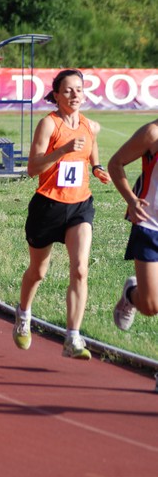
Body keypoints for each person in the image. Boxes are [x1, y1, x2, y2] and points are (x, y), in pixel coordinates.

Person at [13, 69, 111, 360]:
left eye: (79, 89)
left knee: (80, 269)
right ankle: (24, 314)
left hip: (80, 205)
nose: (75, 95)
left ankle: (72, 337)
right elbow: (33, 169)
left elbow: (92, 148)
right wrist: (63, 150)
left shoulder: (88, 125)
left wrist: (97, 168)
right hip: (47, 206)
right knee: (38, 272)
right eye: (68, 90)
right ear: (55, 95)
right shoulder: (48, 124)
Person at [108, 120, 158, 330]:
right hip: (150, 224)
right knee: (150, 306)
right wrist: (130, 199)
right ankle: (131, 294)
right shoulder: (152, 133)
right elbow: (115, 163)